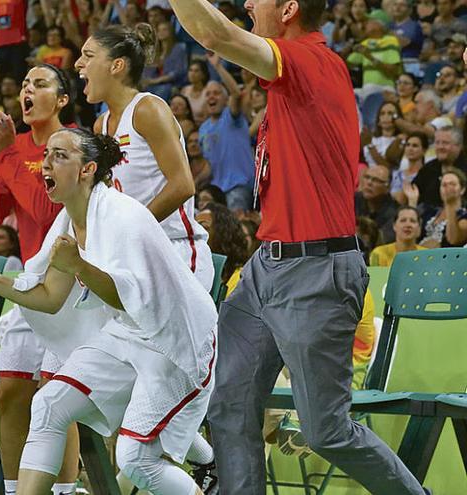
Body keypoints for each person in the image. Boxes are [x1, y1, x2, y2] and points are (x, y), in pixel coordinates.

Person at [166, 0, 429, 491]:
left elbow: (216, 35)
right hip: (266, 267)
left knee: (326, 431)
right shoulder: (289, 79)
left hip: (317, 270)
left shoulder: (312, 61)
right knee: (228, 406)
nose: (247, 3)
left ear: (288, 8)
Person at [0, 128, 217, 495]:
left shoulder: (122, 215)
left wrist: (79, 265)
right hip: (129, 333)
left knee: (135, 460)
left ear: (88, 169)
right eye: (47, 154)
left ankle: (208, 470)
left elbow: (125, 297)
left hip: (178, 343)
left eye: (61, 155)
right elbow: (51, 296)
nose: (47, 161)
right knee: (49, 405)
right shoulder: (68, 218)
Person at [76, 25, 218, 488]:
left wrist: (128, 228)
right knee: (131, 378)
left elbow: (182, 185)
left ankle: (205, 456)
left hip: (180, 257)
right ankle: (206, 457)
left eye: (87, 55)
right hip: (136, 264)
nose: (78, 64)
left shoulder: (149, 110)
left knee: (162, 381)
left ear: (116, 65)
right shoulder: (100, 126)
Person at [0, 63, 77, 495]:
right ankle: (16, 490)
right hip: (29, 283)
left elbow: (48, 211)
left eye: (39, 84)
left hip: (70, 287)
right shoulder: (12, 148)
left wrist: (7, 158)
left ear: (62, 99)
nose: (27, 91)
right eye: (23, 84)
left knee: (56, 400)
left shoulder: (72, 145)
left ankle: (65, 492)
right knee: (10, 394)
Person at [200, 54, 255, 212]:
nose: (212, 96)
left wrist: (218, 67)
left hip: (239, 186)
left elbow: (236, 93)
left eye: (217, 93)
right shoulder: (203, 128)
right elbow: (210, 163)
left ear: (225, 100)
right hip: (217, 191)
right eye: (208, 94)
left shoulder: (231, 116)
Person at [418, 169, 467, 248]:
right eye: (444, 185)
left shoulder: (464, 216)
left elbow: (453, 240)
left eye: (452, 184)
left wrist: (450, 204)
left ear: (462, 189)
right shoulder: (430, 212)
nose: (448, 187)